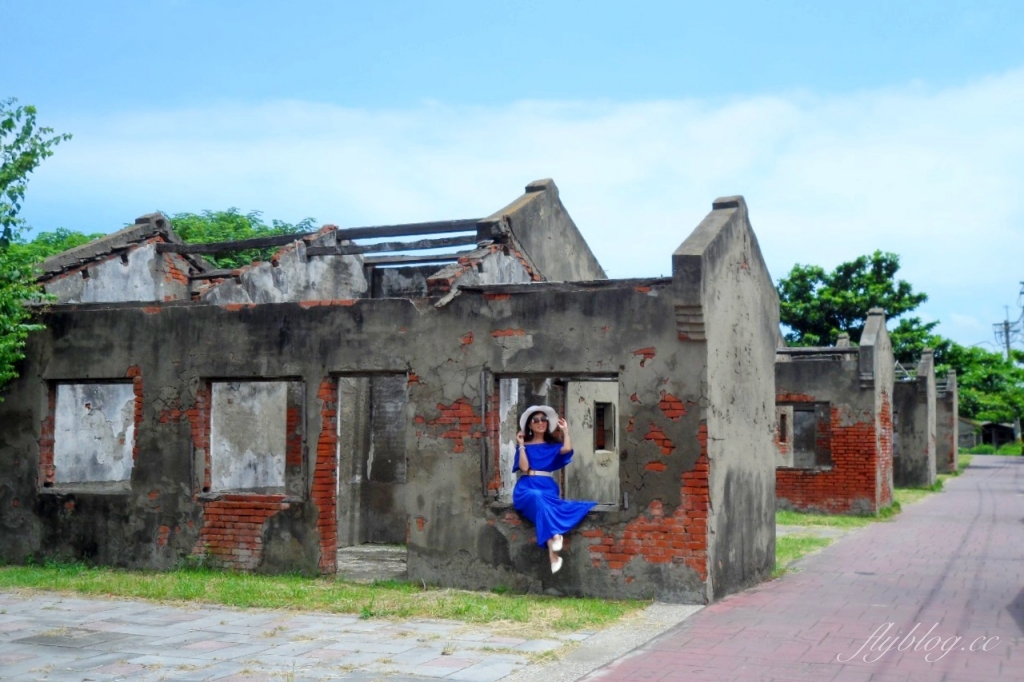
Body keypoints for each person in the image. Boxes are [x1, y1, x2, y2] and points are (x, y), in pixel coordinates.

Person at [513, 405, 597, 573]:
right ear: (530, 425)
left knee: (543, 505)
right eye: (536, 420)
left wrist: (565, 431)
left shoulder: (552, 446)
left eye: (543, 419)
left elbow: (567, 450)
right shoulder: (525, 445)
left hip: (547, 485)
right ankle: (556, 536)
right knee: (537, 498)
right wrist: (521, 445)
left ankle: (553, 549)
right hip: (527, 486)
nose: (540, 422)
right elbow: (524, 467)